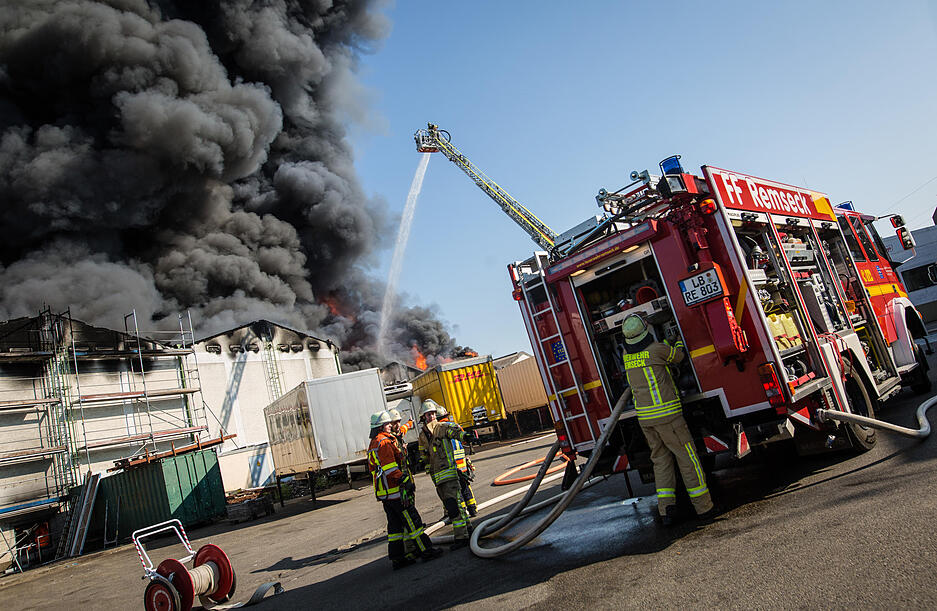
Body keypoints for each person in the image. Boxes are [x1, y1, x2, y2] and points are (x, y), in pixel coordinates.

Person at [620, 314, 714, 526]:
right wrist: (677, 341)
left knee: (661, 461)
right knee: (687, 458)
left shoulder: (626, 354)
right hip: (667, 416)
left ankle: (667, 510)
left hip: (646, 420)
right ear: (645, 331)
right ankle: (704, 507)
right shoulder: (656, 349)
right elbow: (679, 357)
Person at [367, 410, 443, 569]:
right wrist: (405, 480)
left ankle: (397, 559)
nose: (390, 426)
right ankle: (426, 551)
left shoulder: (373, 443)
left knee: (394, 528)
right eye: (387, 424)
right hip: (396, 491)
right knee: (413, 521)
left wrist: (409, 423)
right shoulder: (385, 443)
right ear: (380, 426)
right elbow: (390, 469)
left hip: (385, 494)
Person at [418, 399, 472, 549]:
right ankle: (468, 529)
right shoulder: (423, 436)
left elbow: (453, 431)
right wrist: (428, 468)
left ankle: (461, 538)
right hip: (438, 479)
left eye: (433, 414)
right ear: (423, 417)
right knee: (454, 506)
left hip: (449, 474)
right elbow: (425, 456)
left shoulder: (441, 428)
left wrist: (464, 437)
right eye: (428, 415)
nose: (432, 417)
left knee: (454, 506)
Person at [435, 405, 477, 517]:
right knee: (465, 486)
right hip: (462, 463)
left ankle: (462, 511)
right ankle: (473, 509)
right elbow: (463, 441)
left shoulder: (440, 429)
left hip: (452, 465)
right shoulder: (455, 426)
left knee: (455, 491)